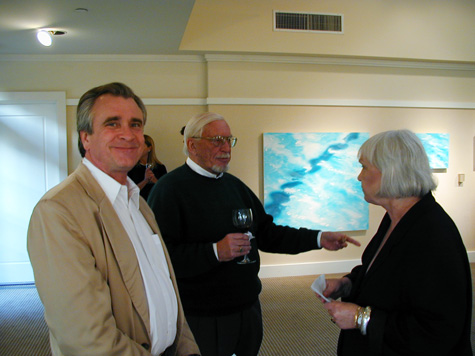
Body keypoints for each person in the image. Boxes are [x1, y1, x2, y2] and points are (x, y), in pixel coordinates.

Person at [147, 112, 360, 356]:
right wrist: (215, 251)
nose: (226, 147)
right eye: (217, 140)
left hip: (247, 308)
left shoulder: (234, 186)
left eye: (230, 140)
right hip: (202, 316)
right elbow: (161, 258)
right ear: (191, 145)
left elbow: (267, 233)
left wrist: (318, 238)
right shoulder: (168, 191)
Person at [27, 82, 200, 356]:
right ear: (85, 138)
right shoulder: (58, 211)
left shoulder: (139, 203)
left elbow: (167, 291)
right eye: (112, 124)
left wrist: (188, 349)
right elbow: (87, 338)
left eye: (135, 124)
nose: (128, 135)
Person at [318, 129, 473, 356]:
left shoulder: (432, 234)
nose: (359, 176)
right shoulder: (397, 218)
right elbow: (384, 276)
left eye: (364, 167)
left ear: (391, 171)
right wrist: (347, 283)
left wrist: (361, 318)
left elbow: (438, 330)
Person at [128, 134, 167, 200]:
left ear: (149, 148)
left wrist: (155, 180)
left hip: (155, 204)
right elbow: (129, 192)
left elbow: (166, 190)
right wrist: (145, 181)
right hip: (138, 205)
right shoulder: (131, 168)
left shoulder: (160, 168)